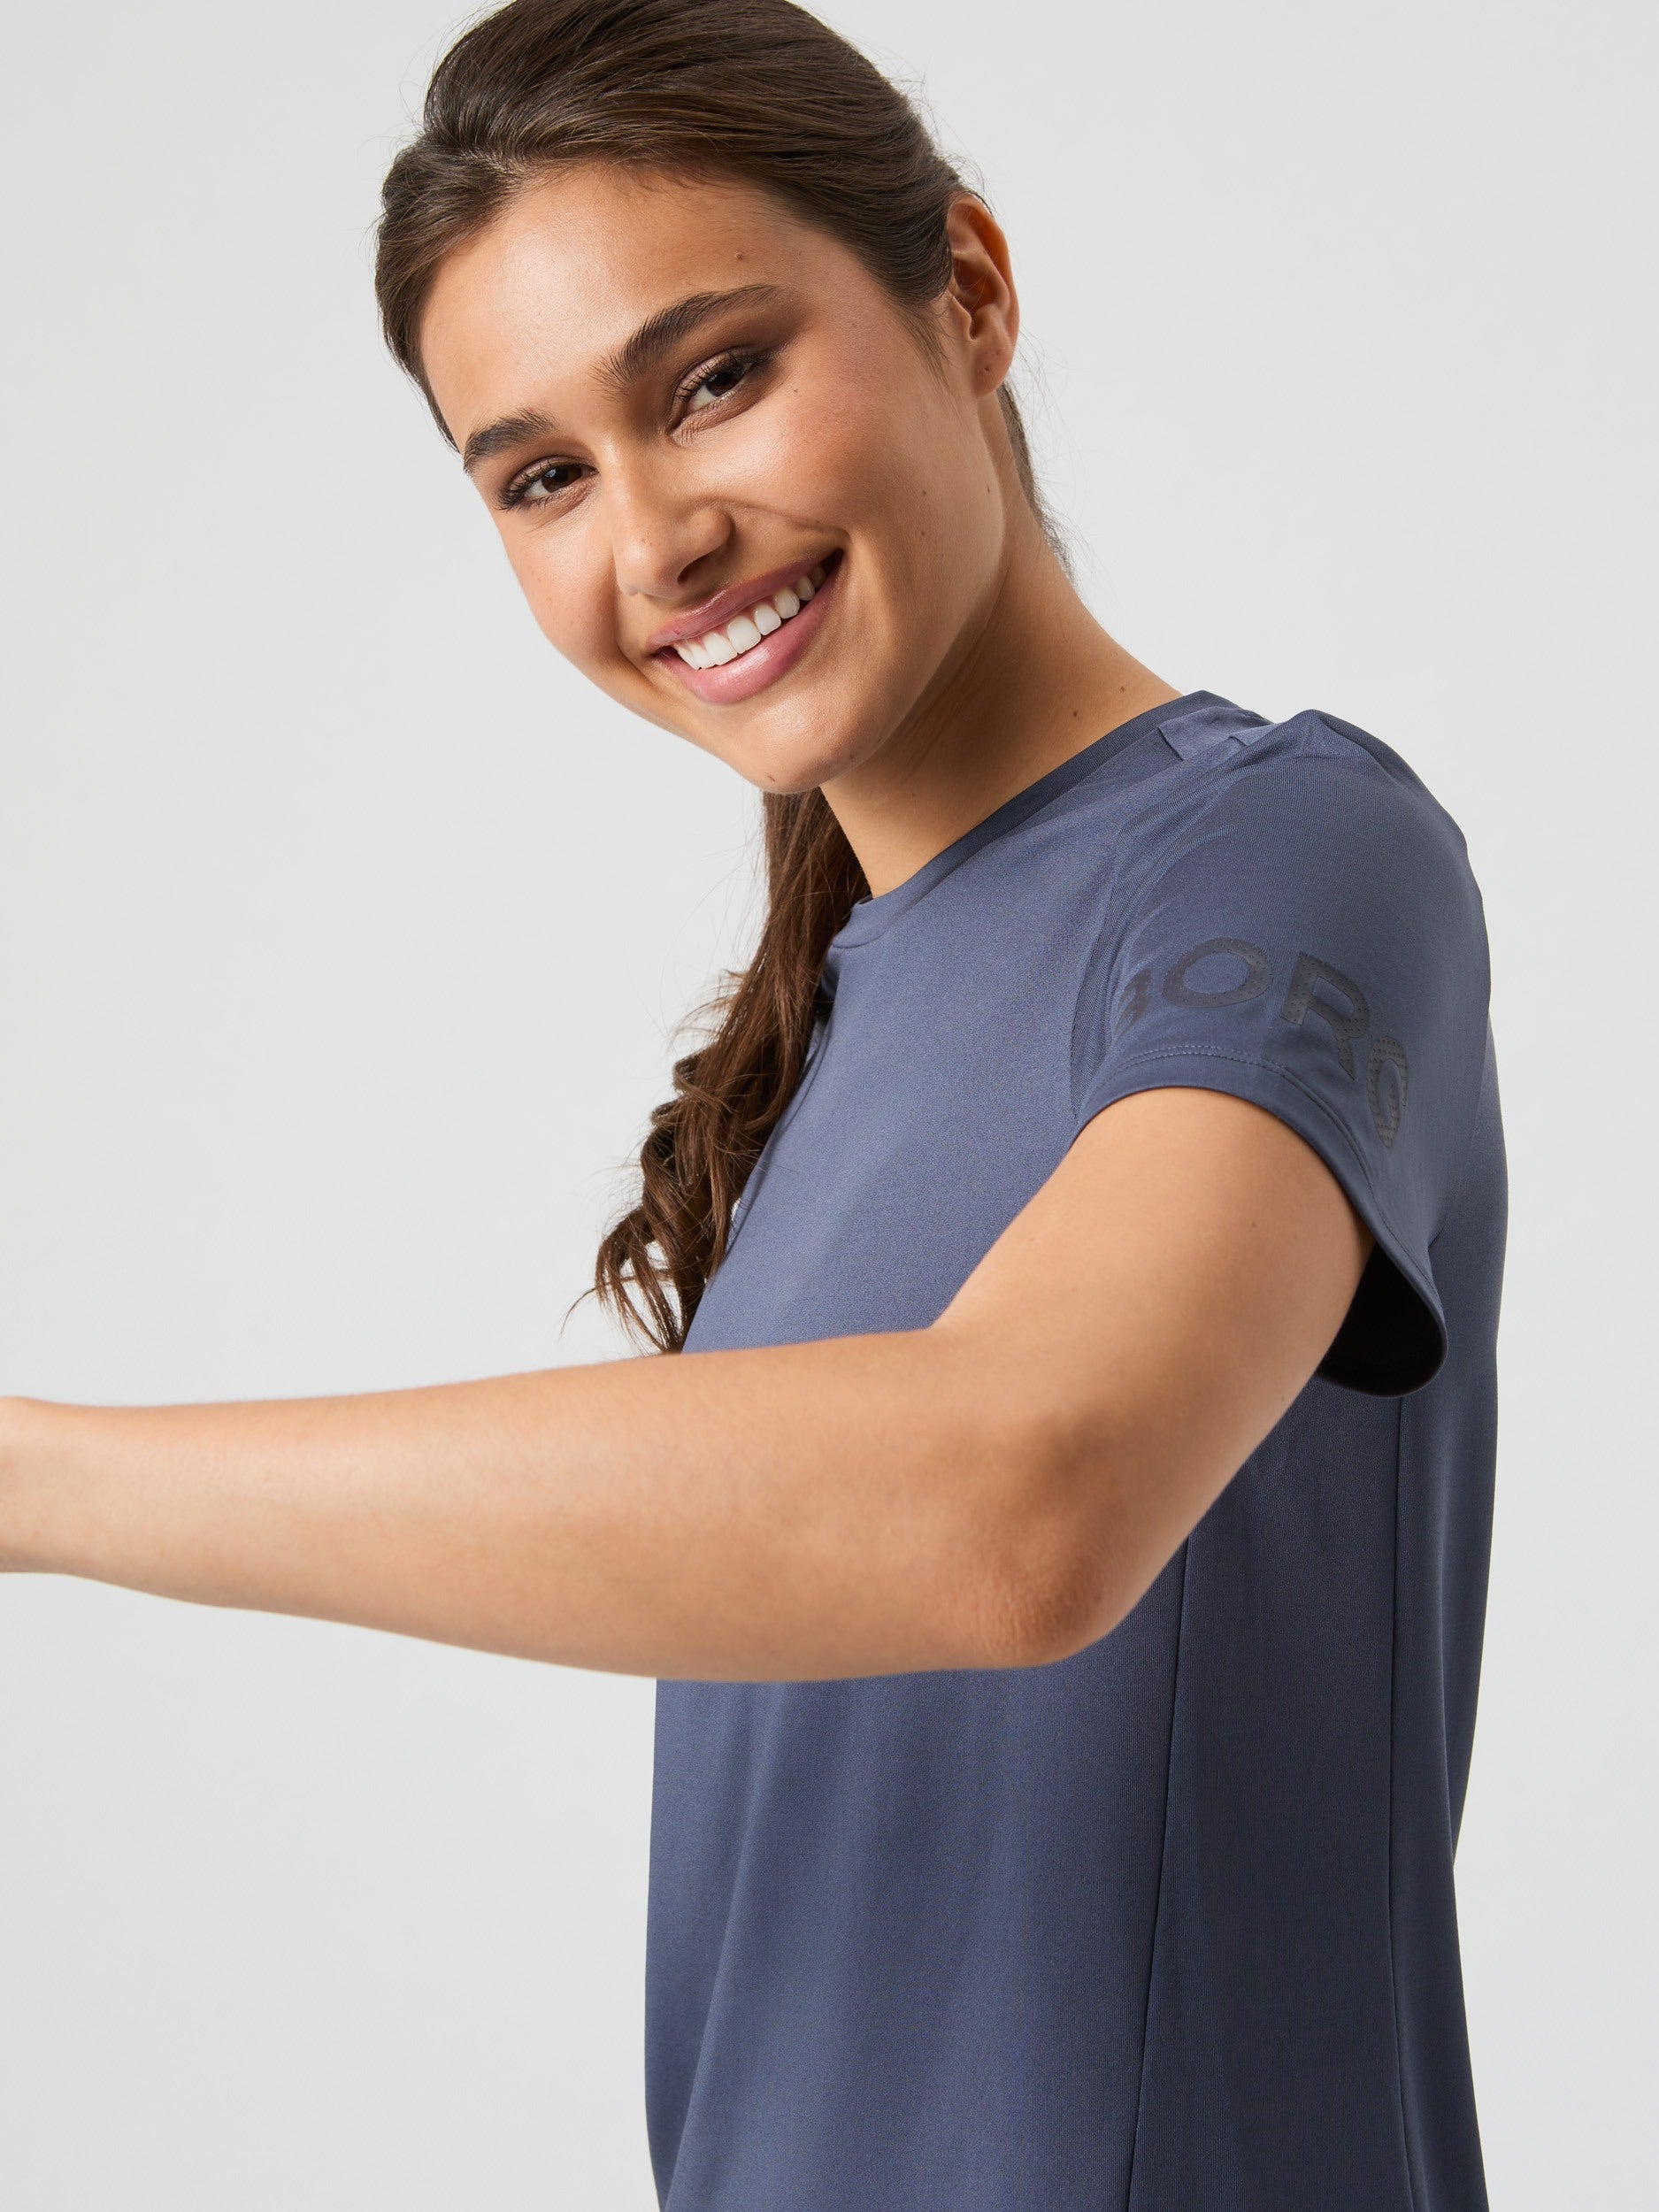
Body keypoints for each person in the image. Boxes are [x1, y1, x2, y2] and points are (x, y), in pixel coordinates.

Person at [0, 1, 1507, 2207]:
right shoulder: (827, 1041)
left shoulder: (1286, 850)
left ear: (965, 293)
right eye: (540, 475)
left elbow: (1023, 1491)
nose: (654, 537)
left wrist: (30, 1478)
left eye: (711, 378)